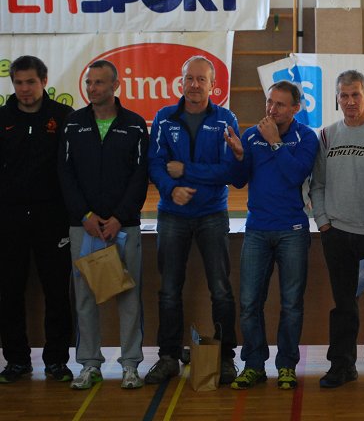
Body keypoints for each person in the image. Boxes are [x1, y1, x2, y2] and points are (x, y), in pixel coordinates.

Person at [145, 55, 239, 385]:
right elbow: (155, 164)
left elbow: (228, 171)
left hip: (212, 213)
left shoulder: (226, 119)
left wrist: (185, 170)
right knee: (169, 290)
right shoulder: (164, 118)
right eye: (189, 78)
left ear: (214, 85)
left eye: (201, 79)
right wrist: (171, 189)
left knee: (221, 290)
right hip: (173, 214)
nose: (195, 85)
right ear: (181, 81)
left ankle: (226, 359)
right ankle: (168, 357)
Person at [58, 60, 149, 390]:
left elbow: (140, 176)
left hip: (124, 227)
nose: (92, 88)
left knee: (129, 296)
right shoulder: (73, 124)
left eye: (98, 83)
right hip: (84, 228)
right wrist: (85, 216)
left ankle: (130, 365)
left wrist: (119, 217)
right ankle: (89, 364)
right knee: (84, 297)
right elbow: (64, 173)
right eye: (89, 83)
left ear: (115, 86)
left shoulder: (135, 125)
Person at [224, 81, 318, 390]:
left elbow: (296, 175)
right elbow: (238, 181)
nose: (271, 109)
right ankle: (254, 365)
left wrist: (276, 143)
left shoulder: (306, 137)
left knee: (291, 304)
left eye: (280, 104)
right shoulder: (252, 135)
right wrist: (238, 156)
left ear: (295, 108)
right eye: (269, 102)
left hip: (292, 231)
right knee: (250, 303)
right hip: (257, 230)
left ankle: (287, 365)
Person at [309, 70, 364, 392]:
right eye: (344, 96)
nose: (350, 101)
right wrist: (323, 222)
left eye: (355, 95)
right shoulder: (327, 136)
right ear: (337, 98)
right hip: (337, 236)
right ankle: (342, 365)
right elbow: (317, 185)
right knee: (343, 306)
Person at [0, 56, 74, 384]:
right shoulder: (2, 118)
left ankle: (57, 360)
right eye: (18, 83)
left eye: (30, 82)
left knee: (56, 292)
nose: (24, 89)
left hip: (52, 219)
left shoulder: (64, 117)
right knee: (9, 292)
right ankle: (16, 361)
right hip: (9, 218)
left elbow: (72, 168)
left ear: (44, 81)